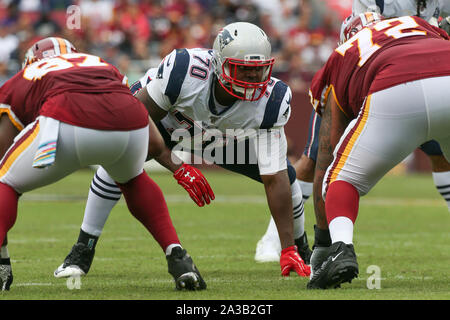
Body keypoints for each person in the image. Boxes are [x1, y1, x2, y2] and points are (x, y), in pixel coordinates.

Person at [53, 22, 312, 279]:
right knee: (118, 161)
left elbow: (274, 177)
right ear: (220, 65)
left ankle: (300, 251)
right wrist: (178, 167)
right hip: (163, 124)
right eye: (243, 70)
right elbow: (136, 123)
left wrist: (287, 247)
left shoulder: (273, 99)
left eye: (259, 70)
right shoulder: (185, 71)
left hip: (220, 138)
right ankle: (82, 249)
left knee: (287, 179)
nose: (254, 79)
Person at [0, 37, 208, 291]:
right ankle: (178, 257)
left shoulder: (31, 72)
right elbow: (153, 143)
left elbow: (3, 144)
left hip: (67, 117)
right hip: (129, 124)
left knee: (6, 182)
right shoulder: (101, 65)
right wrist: (173, 166)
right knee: (132, 179)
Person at [257, 0, 450, 268]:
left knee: (335, 170)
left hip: (396, 78)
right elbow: (364, 28)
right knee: (313, 161)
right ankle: (275, 238)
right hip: (380, 70)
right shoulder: (376, 23)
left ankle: (330, 246)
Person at [306, 12, 450, 289]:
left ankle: (341, 248)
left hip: (396, 83)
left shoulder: (345, 51)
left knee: (340, 178)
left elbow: (330, 146)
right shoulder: (418, 23)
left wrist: (322, 241)